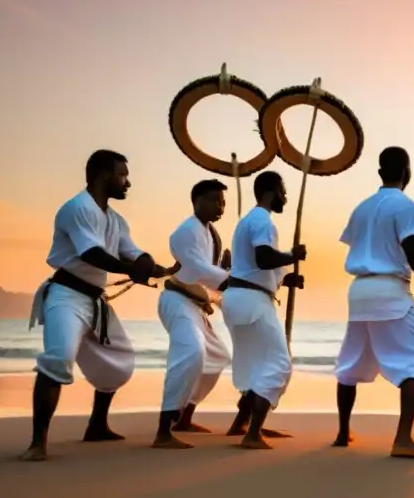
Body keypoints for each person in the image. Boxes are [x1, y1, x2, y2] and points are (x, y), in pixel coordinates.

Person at [20, 150, 176, 461]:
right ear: (104, 175)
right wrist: (133, 269)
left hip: (94, 300)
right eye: (123, 175)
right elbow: (90, 253)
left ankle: (97, 425)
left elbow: (131, 252)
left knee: (119, 359)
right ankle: (37, 443)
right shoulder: (78, 208)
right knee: (58, 359)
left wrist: (157, 267)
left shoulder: (116, 220)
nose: (128, 182)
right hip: (66, 297)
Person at [333, 147, 414, 462]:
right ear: (406, 171)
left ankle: (342, 431)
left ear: (380, 173)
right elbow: (412, 249)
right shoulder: (406, 206)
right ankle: (403, 439)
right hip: (389, 290)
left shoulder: (361, 208)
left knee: (350, 363)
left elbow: (357, 243)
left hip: (359, 291)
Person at [221, 170, 304, 450]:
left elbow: (256, 266)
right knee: (279, 364)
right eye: (282, 190)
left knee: (256, 364)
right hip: (251, 301)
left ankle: (242, 424)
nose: (285, 196)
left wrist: (286, 277)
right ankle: (253, 433)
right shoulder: (262, 220)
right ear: (270, 191)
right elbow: (264, 257)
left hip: (240, 297)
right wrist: (291, 256)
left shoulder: (250, 220)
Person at [151, 179, 233, 449]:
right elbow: (197, 269)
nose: (220, 206)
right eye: (213, 200)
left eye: (222, 201)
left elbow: (208, 274)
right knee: (192, 353)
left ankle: (184, 416)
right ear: (195, 201)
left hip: (196, 305)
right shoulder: (185, 232)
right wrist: (231, 279)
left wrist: (226, 270)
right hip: (177, 300)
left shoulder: (211, 233)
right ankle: (163, 430)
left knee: (217, 356)